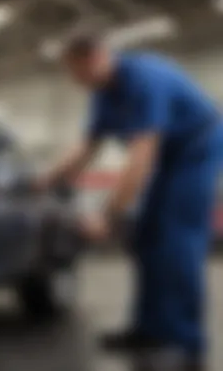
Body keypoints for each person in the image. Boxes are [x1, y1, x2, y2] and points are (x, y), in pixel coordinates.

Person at [34, 30, 223, 369]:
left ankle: (185, 343)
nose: (75, 81)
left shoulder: (145, 78)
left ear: (94, 58)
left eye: (75, 72)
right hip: (166, 159)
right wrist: (49, 179)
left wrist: (107, 216)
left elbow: (141, 159)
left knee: (177, 242)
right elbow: (87, 146)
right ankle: (149, 329)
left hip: (197, 150)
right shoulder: (103, 93)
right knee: (147, 239)